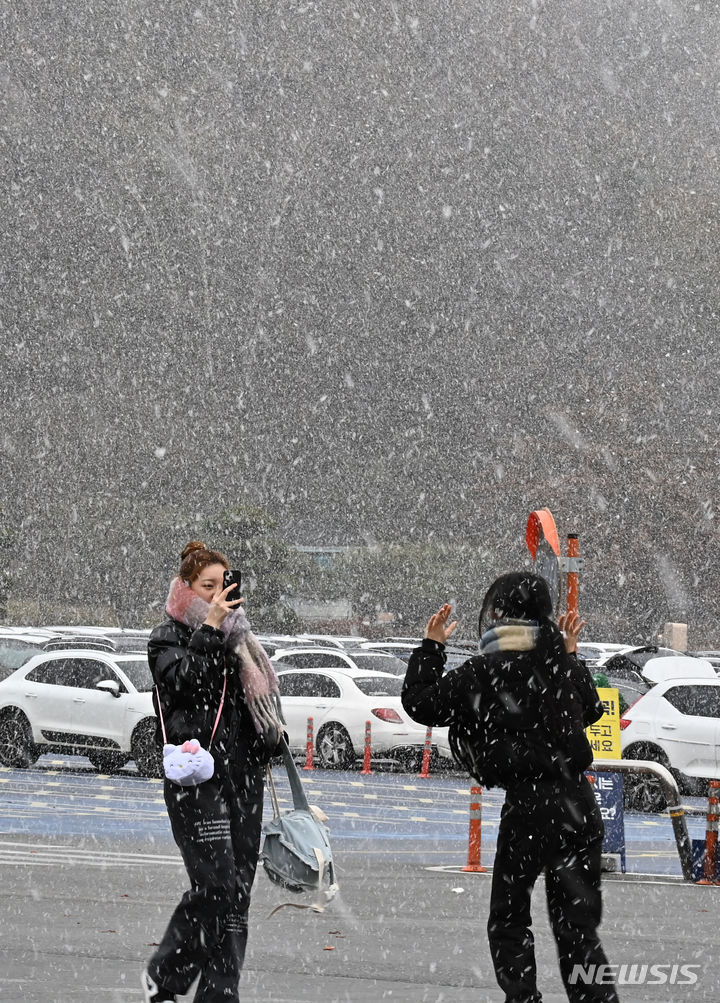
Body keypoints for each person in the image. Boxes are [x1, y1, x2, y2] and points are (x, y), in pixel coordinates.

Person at [402, 572, 620, 1003]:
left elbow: (421, 703)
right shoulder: (561, 662)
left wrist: (432, 646)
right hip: (580, 804)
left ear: (500, 616)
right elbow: (592, 708)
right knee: (577, 929)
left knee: (510, 917)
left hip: (530, 807)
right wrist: (570, 656)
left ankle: (522, 998)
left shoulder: (487, 669)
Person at [142, 541, 284, 1003]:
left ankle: (221, 993)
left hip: (242, 779)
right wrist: (209, 627)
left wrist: (271, 736)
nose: (217, 596)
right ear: (185, 588)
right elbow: (183, 683)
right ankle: (165, 975)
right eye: (207, 587)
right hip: (195, 779)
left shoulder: (240, 643)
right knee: (216, 885)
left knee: (238, 894)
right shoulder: (166, 637)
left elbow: (252, 710)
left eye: (224, 587)